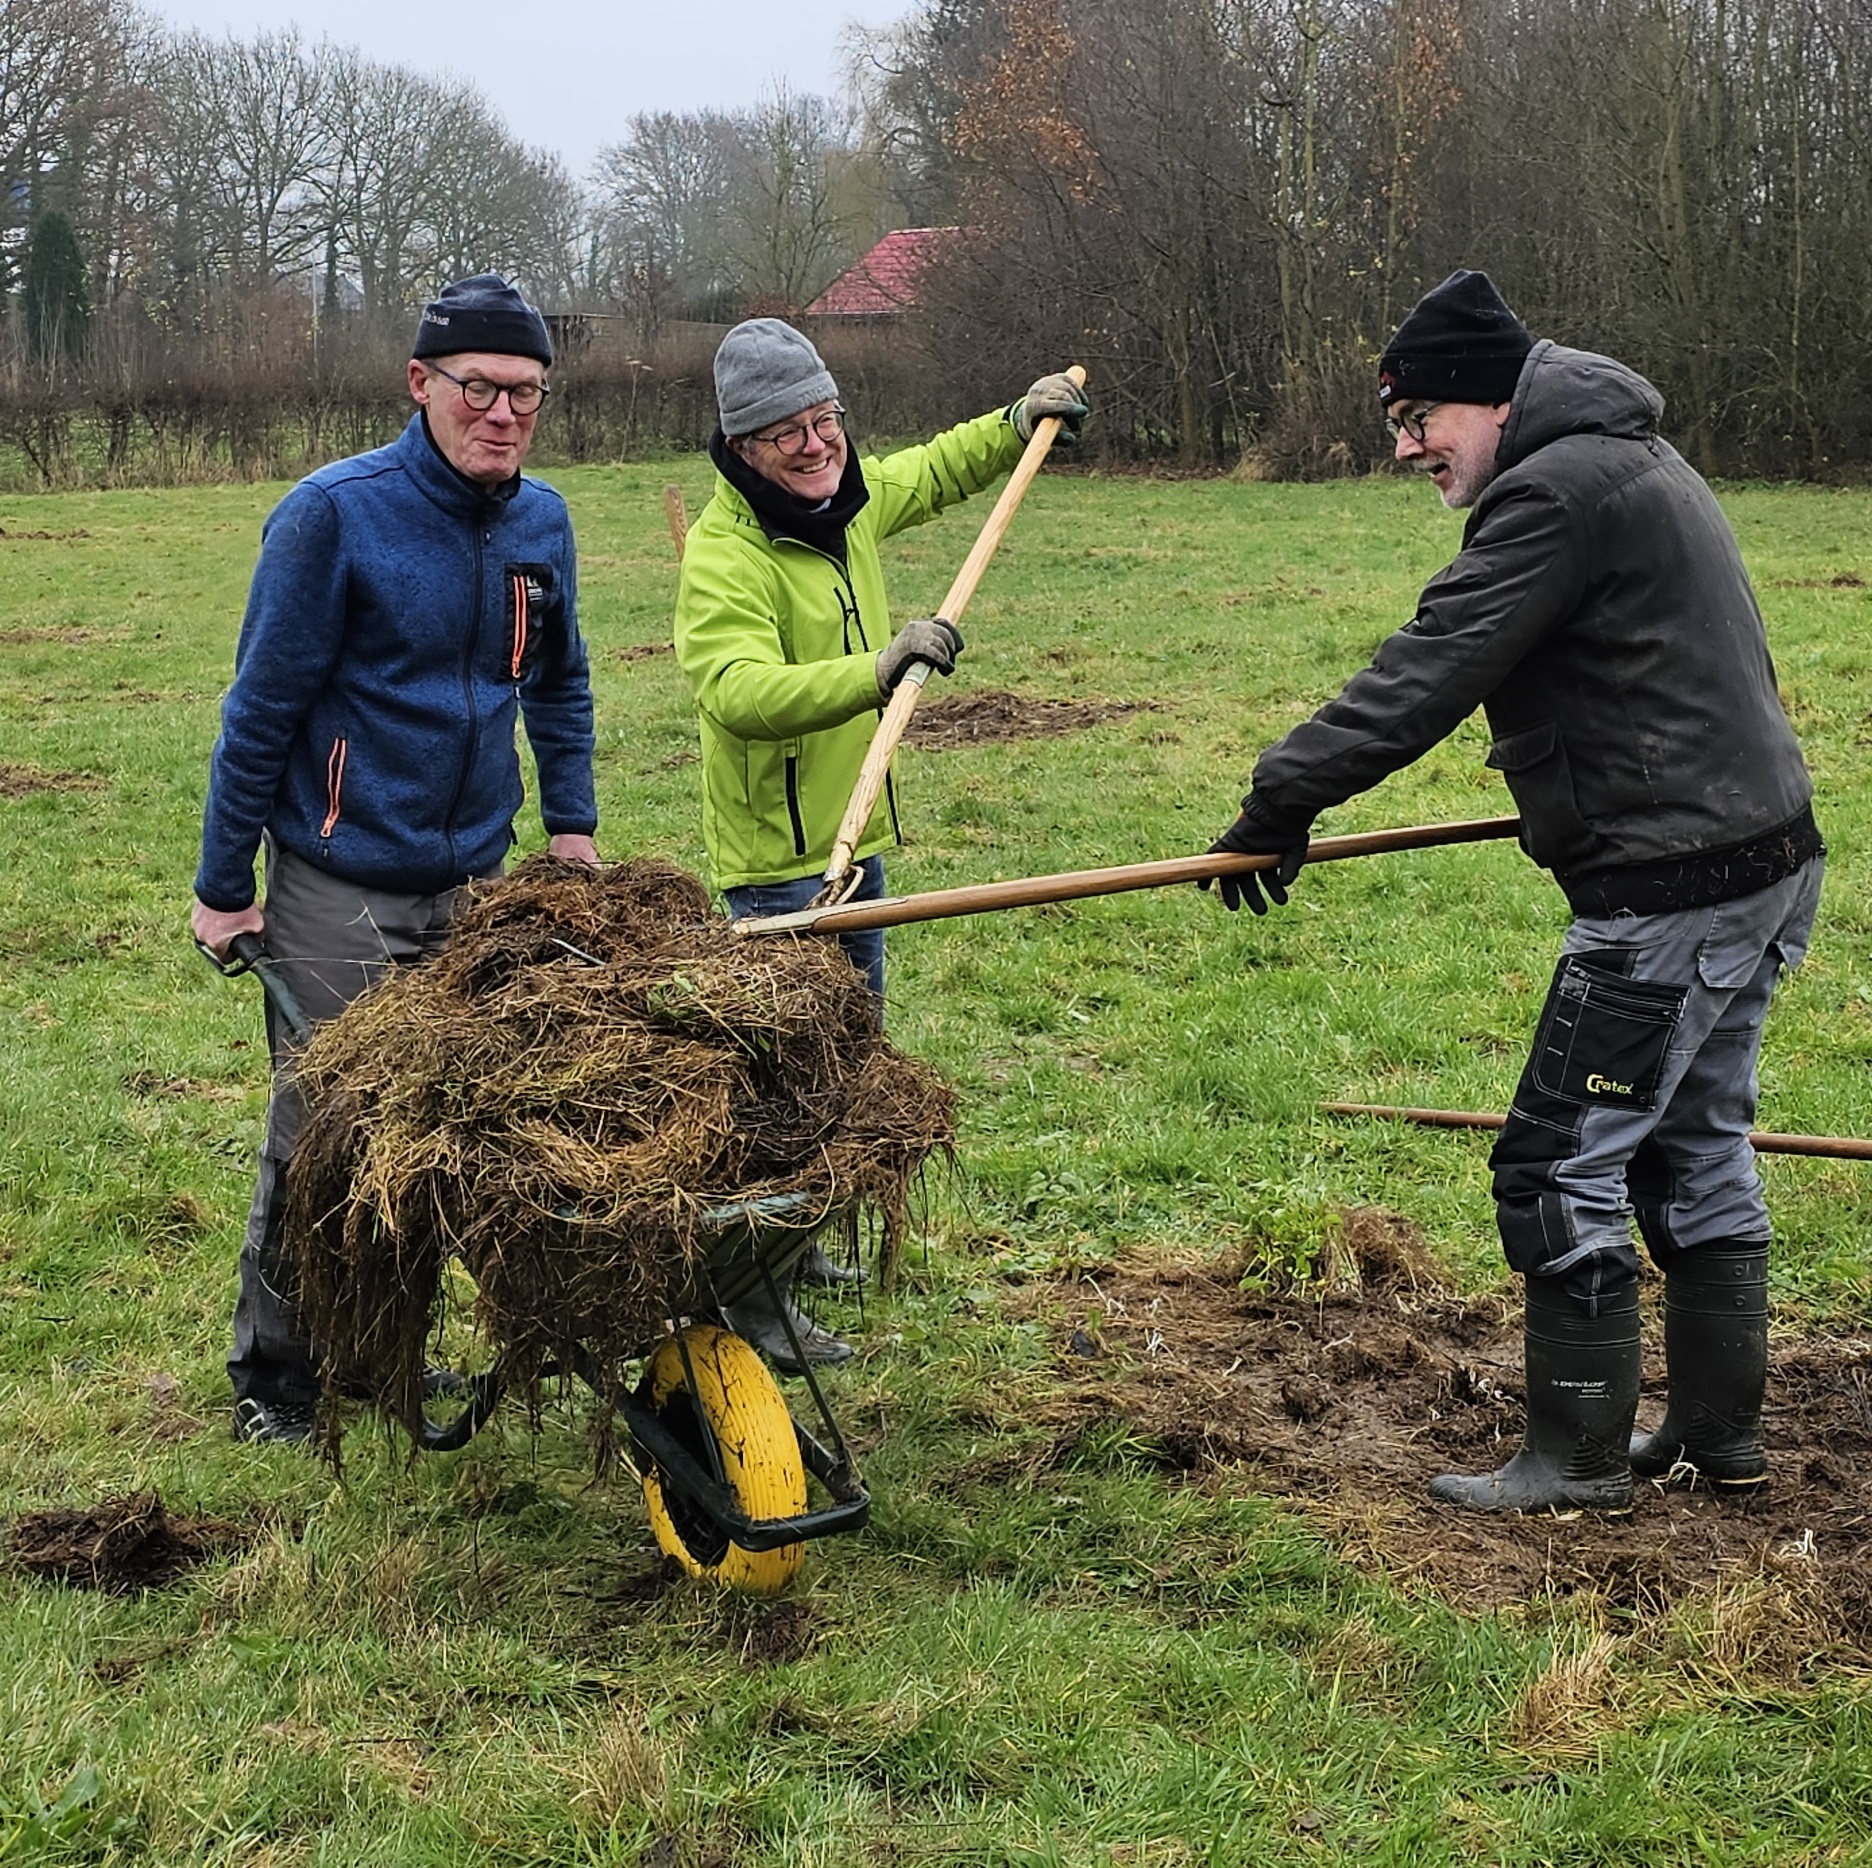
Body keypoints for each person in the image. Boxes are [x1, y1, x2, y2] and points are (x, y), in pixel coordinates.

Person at [1204, 269, 1822, 1513]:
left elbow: (1432, 666)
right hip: (1761, 863)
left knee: (1555, 1164)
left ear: (1491, 398)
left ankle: (1576, 1457)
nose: (1405, 445)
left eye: (1419, 415)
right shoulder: (1631, 460)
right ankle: (1718, 1431)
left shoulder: (1556, 490)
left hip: (1673, 890)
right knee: (1693, 1141)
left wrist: (1285, 794)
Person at [191, 273, 601, 1446]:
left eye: (527, 392)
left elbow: (559, 682)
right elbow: (260, 709)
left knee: (450, 1122)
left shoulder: (541, 522)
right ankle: (277, 1370)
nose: (504, 413)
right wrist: (227, 888)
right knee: (322, 1129)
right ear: (420, 384)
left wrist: (568, 826)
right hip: (341, 881)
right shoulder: (336, 514)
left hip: (476, 878)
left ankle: (381, 1344)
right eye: (479, 387)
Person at [674, 316, 1088, 1370]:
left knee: (849, 1061)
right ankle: (752, 1299)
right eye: (787, 435)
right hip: (779, 871)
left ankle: (800, 1245)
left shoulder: (845, 502)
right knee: (786, 1089)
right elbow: (737, 691)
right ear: (742, 449)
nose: (817, 447)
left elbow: (935, 472)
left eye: (827, 422)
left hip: (855, 846)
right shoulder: (727, 555)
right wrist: (878, 668)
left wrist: (1016, 419)